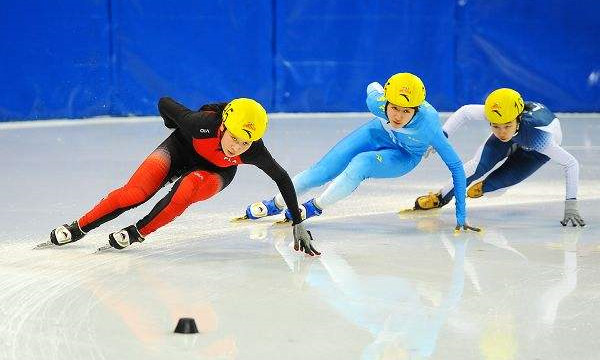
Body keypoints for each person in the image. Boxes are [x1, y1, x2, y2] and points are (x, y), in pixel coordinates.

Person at [48, 97, 320, 255]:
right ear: (222, 125)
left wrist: (297, 221)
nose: (237, 147)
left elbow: (282, 178)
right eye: (234, 138)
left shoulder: (254, 151)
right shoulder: (199, 124)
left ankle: (136, 232)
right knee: (136, 193)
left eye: (245, 143)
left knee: (187, 188)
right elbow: (164, 103)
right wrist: (174, 125)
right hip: (178, 151)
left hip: (215, 172)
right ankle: (78, 227)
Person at [242, 73, 479, 231]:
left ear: (416, 110)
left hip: (405, 155)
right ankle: (276, 203)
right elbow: (373, 87)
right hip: (378, 132)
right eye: (394, 108)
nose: (398, 116)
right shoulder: (377, 103)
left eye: (406, 112)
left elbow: (457, 169)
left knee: (361, 164)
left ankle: (315, 206)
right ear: (385, 102)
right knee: (322, 170)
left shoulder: (430, 130)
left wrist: (461, 217)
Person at [413, 88, 585, 227]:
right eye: (495, 126)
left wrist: (571, 205)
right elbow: (465, 112)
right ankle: (440, 197)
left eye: (507, 126)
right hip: (519, 133)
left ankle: (486, 186)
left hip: (534, 151)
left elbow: (571, 164)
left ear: (518, 119)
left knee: (497, 186)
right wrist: (442, 136)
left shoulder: (540, 138)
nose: (502, 132)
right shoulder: (499, 114)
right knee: (475, 166)